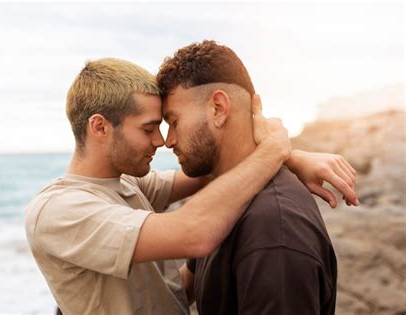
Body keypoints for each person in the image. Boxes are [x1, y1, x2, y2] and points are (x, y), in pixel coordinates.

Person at [25, 57, 357, 315]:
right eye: (148, 128)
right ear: (100, 127)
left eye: (168, 125)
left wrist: (292, 157)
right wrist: (274, 149)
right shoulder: (60, 211)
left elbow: (210, 168)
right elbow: (194, 232)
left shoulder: (128, 185)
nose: (161, 141)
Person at [156, 40, 351, 314]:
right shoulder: (228, 199)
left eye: (173, 121)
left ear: (218, 109)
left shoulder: (273, 231)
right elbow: (185, 288)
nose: (168, 140)